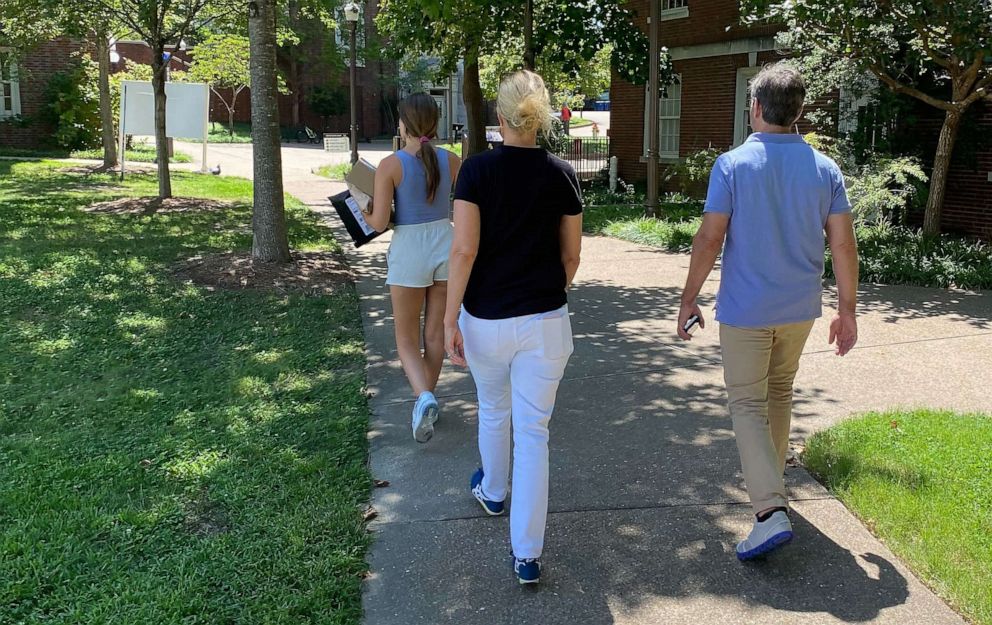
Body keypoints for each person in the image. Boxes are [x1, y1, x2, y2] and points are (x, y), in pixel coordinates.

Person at [676, 62, 859, 561]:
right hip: (799, 310)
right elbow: (843, 245)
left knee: (747, 403)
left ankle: (767, 510)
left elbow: (710, 237)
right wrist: (848, 310)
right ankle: (774, 491)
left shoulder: (732, 164)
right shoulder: (825, 169)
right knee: (778, 392)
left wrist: (689, 296)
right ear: (798, 111)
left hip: (746, 310)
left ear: (755, 107)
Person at [444, 70, 583, 585]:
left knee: (493, 407)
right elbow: (571, 258)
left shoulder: (476, 172)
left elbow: (464, 250)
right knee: (533, 433)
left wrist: (447, 315)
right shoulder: (562, 172)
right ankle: (526, 554)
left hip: (486, 319)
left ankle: (494, 491)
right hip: (546, 321)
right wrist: (545, 290)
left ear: (498, 118)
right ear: (540, 117)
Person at [368, 93, 461, 444]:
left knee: (405, 338)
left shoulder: (391, 165)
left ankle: (423, 397)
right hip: (444, 244)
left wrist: (362, 207)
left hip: (409, 249)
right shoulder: (451, 161)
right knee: (435, 334)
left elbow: (378, 224)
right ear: (435, 124)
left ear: (402, 124)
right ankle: (428, 398)